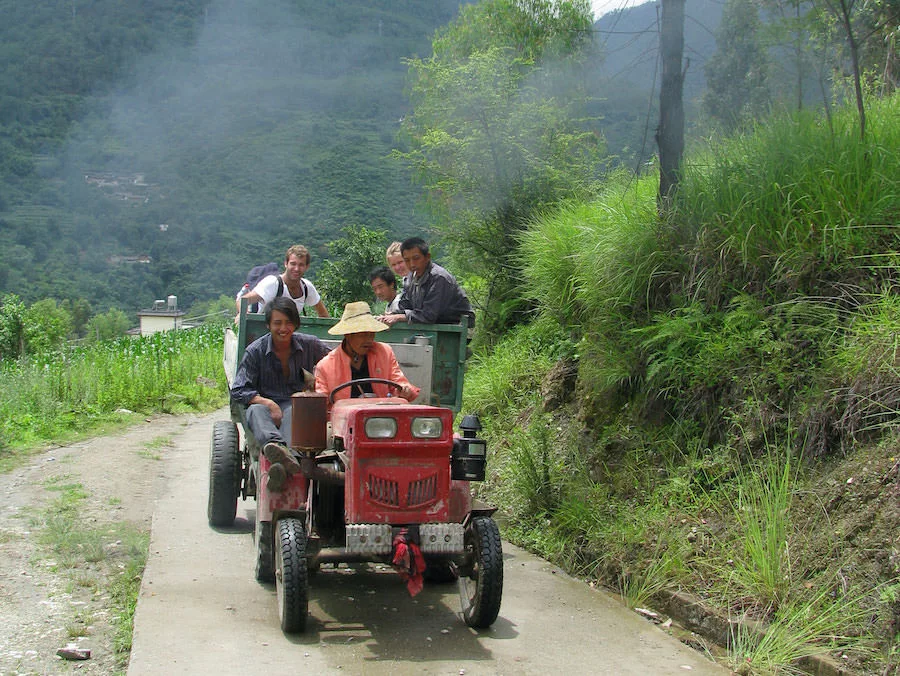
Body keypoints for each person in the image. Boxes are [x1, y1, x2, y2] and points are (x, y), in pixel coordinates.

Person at [230, 297, 331, 490]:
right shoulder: (255, 351)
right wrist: (268, 403)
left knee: (297, 412)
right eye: (277, 323)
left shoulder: (310, 345)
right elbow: (239, 389)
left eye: (288, 323)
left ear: (296, 324)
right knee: (255, 411)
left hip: (296, 405)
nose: (283, 328)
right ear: (268, 325)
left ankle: (281, 466)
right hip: (264, 405)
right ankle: (281, 451)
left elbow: (334, 362)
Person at [315, 301, 419, 406]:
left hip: (380, 418)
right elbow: (321, 404)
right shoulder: (325, 366)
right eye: (363, 334)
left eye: (371, 334)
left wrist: (404, 390)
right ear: (348, 335)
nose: (369, 339)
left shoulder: (384, 353)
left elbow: (398, 381)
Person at [379, 237, 475, 328]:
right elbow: (406, 304)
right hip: (435, 325)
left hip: (456, 327)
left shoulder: (438, 278)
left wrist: (398, 317)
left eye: (416, 258)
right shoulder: (411, 278)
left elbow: (428, 315)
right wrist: (391, 315)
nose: (412, 264)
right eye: (407, 260)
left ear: (427, 257)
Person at [238, 244, 330, 318]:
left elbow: (323, 315)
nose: (296, 269)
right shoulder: (273, 283)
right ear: (286, 264)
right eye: (293, 264)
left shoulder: (306, 287)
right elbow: (242, 300)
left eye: (301, 265)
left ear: (307, 267)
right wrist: (243, 316)